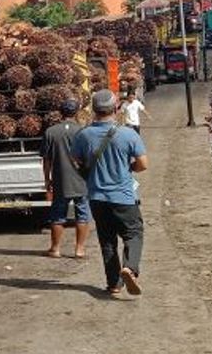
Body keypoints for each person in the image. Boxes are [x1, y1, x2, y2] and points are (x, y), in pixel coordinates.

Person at [72, 89, 149, 296]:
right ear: (116, 108)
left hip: (97, 198)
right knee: (133, 233)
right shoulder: (127, 134)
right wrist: (128, 168)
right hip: (123, 196)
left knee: (107, 241)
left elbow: (76, 161)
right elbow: (143, 164)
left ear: (93, 110)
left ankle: (114, 284)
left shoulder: (83, 135)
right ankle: (130, 268)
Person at [40, 98, 91, 258]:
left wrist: (47, 179)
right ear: (76, 112)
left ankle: (55, 249)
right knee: (82, 214)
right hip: (81, 180)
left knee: (57, 215)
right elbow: (89, 157)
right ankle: (79, 249)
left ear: (61, 113)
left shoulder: (51, 132)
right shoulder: (83, 132)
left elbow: (46, 159)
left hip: (60, 179)